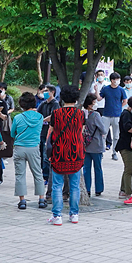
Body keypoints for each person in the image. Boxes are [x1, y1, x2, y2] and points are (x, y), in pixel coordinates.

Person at [47, 85, 85, 225]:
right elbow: (81, 133)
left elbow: (50, 133)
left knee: (57, 185)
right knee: (75, 185)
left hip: (59, 152)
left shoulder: (56, 114)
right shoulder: (80, 114)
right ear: (76, 99)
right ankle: (74, 214)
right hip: (76, 152)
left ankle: (57, 216)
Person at [11, 91, 46, 210]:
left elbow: (12, 133)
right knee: (38, 173)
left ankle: (22, 201)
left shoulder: (18, 117)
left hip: (20, 148)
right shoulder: (40, 117)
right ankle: (41, 199)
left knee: (20, 175)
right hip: (34, 148)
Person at [82, 92, 107, 197]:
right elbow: (103, 129)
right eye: (94, 102)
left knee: (86, 168)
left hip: (85, 145)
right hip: (96, 145)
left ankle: (87, 188)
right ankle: (99, 189)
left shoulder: (82, 114)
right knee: (98, 167)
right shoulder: (95, 115)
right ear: (90, 104)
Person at [101, 72, 128, 160]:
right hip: (106, 114)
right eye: (116, 79)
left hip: (117, 115)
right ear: (112, 80)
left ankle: (114, 152)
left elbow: (125, 100)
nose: (117, 81)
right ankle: (101, 151)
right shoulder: (106, 89)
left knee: (116, 135)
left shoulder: (121, 90)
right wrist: (96, 90)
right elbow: (99, 98)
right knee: (103, 134)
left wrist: (119, 108)